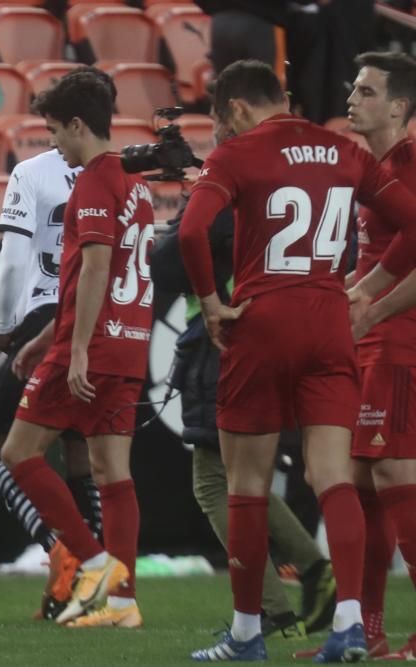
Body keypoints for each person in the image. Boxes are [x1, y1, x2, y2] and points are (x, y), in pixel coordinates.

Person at [179, 59, 416, 662]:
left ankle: (247, 635)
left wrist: (210, 304)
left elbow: (189, 231)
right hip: (330, 319)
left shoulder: (236, 155)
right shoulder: (344, 151)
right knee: (337, 478)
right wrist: (371, 289)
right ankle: (349, 625)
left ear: (235, 109)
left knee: (247, 485)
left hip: (262, 318)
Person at [149, 107, 336, 641]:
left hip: (224, 339)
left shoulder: (230, 184)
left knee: (218, 482)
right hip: (274, 332)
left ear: (231, 123)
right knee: (241, 479)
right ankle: (294, 585)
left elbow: (168, 266)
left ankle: (279, 598)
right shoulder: (292, 179)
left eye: (214, 127)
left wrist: (184, 214)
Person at [0, 71, 154, 629]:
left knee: (18, 454)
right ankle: (122, 604)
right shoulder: (135, 185)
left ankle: (94, 565)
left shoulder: (91, 182)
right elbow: (103, 273)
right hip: (131, 342)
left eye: (56, 132)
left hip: (91, 346)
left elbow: (93, 267)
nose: (54, 144)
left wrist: (76, 347)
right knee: (114, 475)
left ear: (79, 125)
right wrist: (43, 337)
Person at [298, 50, 416, 661]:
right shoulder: (369, 166)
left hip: (399, 338)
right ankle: (367, 631)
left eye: (367, 91)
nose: (351, 98)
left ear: (399, 106)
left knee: (397, 475)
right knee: (366, 483)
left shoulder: (410, 162)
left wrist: (370, 302)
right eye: (352, 88)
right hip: (371, 334)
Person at [0, 67, 115, 621]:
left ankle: (66, 551)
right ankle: (101, 576)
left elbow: (15, 258)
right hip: (104, 324)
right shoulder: (121, 175)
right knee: (88, 459)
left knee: (3, 454)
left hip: (46, 316)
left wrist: (4, 325)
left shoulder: (34, 172)